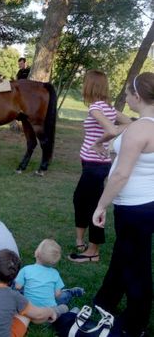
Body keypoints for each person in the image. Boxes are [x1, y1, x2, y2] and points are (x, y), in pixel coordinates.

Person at [91, 72, 154, 337]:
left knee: (136, 264)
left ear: (138, 96)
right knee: (122, 255)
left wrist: (101, 206)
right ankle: (105, 301)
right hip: (147, 202)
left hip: (135, 207)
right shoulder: (143, 124)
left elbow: (120, 175)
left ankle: (135, 323)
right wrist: (110, 148)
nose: (125, 98)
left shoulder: (142, 128)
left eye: (128, 94)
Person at [69, 70, 131, 263]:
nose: (82, 86)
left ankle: (93, 252)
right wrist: (105, 138)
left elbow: (112, 129)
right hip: (94, 164)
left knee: (94, 205)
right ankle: (80, 242)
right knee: (81, 200)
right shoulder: (109, 108)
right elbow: (129, 123)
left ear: (90, 85)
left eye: (84, 82)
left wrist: (99, 142)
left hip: (95, 165)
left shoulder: (96, 108)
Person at [15, 239, 83, 314]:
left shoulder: (26, 269)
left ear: (36, 253)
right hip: (49, 310)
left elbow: (18, 286)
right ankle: (71, 293)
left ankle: (70, 295)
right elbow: (57, 294)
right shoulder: (55, 273)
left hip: (29, 309)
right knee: (61, 297)